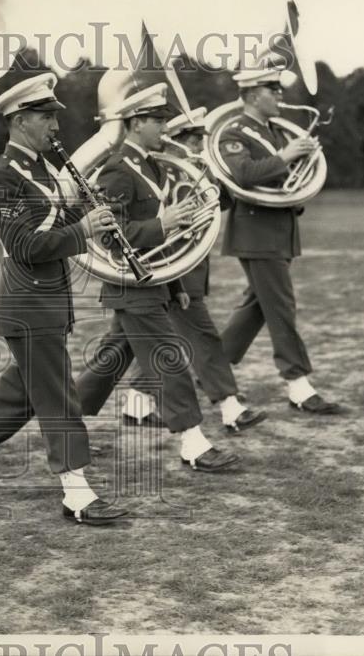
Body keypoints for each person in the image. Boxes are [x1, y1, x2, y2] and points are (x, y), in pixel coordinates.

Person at [0, 73, 129, 526]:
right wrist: (83, 230)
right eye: (46, 117)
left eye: (53, 117)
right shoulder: (3, 175)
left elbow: (55, 220)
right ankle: (77, 494)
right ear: (20, 120)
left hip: (48, 301)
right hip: (28, 304)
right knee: (58, 398)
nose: (54, 126)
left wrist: (94, 211)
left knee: (24, 395)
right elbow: (25, 246)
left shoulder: (43, 169)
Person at [76, 82, 239, 473]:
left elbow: (167, 242)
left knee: (106, 367)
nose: (165, 127)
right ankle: (194, 445)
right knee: (170, 361)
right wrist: (163, 222)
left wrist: (177, 284)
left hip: (150, 283)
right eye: (158, 121)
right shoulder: (117, 169)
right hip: (130, 286)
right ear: (135, 123)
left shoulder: (152, 164)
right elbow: (111, 237)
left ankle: (62, 427)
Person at [120, 108, 267, 434]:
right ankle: (230, 407)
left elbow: (218, 206)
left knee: (153, 344)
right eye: (192, 138)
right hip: (171, 268)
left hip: (187, 270)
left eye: (200, 139)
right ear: (175, 140)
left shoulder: (193, 173)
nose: (199, 145)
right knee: (202, 338)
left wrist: (216, 178)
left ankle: (133, 403)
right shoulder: (163, 174)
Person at [218, 55, 340, 415]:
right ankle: (298, 385)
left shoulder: (274, 131)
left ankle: (212, 368)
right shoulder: (234, 132)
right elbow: (242, 174)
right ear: (253, 94)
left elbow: (282, 180)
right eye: (273, 89)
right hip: (256, 233)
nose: (279, 95)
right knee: (281, 307)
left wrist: (297, 165)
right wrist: (287, 156)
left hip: (277, 231)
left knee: (257, 309)